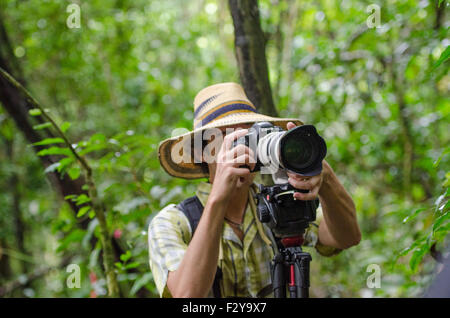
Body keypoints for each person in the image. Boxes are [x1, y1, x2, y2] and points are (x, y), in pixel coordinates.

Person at [148, 82, 361, 298]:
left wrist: (325, 178)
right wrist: (217, 200)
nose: (245, 147)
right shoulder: (172, 222)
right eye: (230, 136)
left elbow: (347, 237)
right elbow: (187, 297)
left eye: (251, 135)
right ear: (201, 150)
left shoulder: (277, 203)